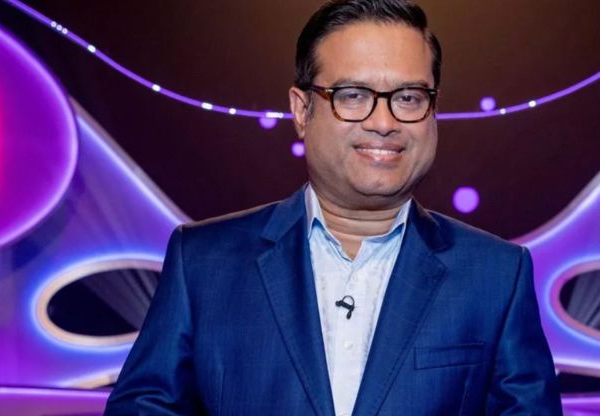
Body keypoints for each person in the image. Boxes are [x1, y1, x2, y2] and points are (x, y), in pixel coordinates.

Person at [105, 0, 562, 414]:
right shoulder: (203, 262)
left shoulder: (496, 275)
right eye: (353, 96)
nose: (383, 122)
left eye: (409, 98)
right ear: (302, 110)